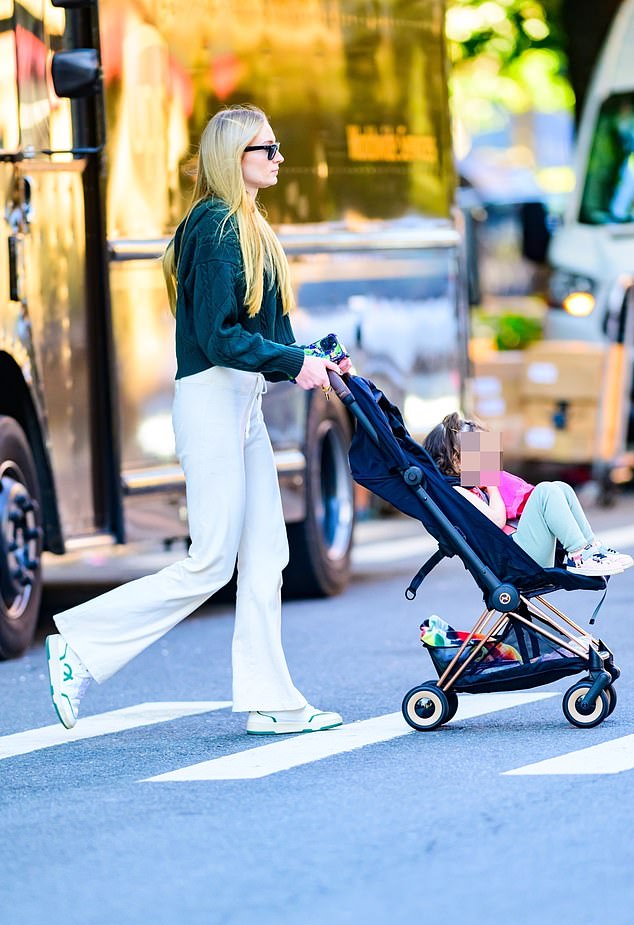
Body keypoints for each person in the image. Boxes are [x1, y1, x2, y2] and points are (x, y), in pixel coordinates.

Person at [46, 105, 351, 736]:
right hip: (212, 401)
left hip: (243, 406)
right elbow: (218, 340)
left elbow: (272, 344)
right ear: (232, 156)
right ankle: (79, 644)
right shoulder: (213, 230)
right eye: (266, 149)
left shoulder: (253, 230)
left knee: (268, 552)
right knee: (212, 560)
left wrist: (312, 359)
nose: (277, 158)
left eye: (277, 147)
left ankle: (273, 702)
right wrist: (293, 363)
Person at [423, 412, 634, 577]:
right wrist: (492, 485)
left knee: (561, 487)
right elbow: (495, 521)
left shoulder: (475, 487)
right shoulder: (458, 492)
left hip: (520, 551)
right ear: (457, 461)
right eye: (479, 453)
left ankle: (590, 548)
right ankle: (579, 554)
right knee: (545, 491)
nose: (488, 459)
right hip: (514, 561)